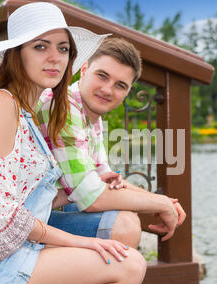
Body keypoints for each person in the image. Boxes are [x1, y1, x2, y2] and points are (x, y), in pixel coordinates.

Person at [0, 2, 147, 284]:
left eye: (63, 49)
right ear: (16, 53)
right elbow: (0, 213)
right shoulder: (1, 104)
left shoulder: (27, 111)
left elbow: (22, 196)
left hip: (13, 248)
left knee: (122, 252)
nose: (54, 58)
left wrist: (93, 184)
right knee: (129, 265)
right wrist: (79, 243)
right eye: (40, 46)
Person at [37, 37, 186, 250]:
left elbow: (105, 178)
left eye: (120, 85)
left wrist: (163, 201)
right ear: (84, 68)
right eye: (102, 76)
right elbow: (91, 198)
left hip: (48, 211)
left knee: (122, 211)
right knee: (124, 226)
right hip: (22, 223)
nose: (107, 90)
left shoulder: (91, 115)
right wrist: (160, 204)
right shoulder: (61, 107)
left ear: (127, 92)